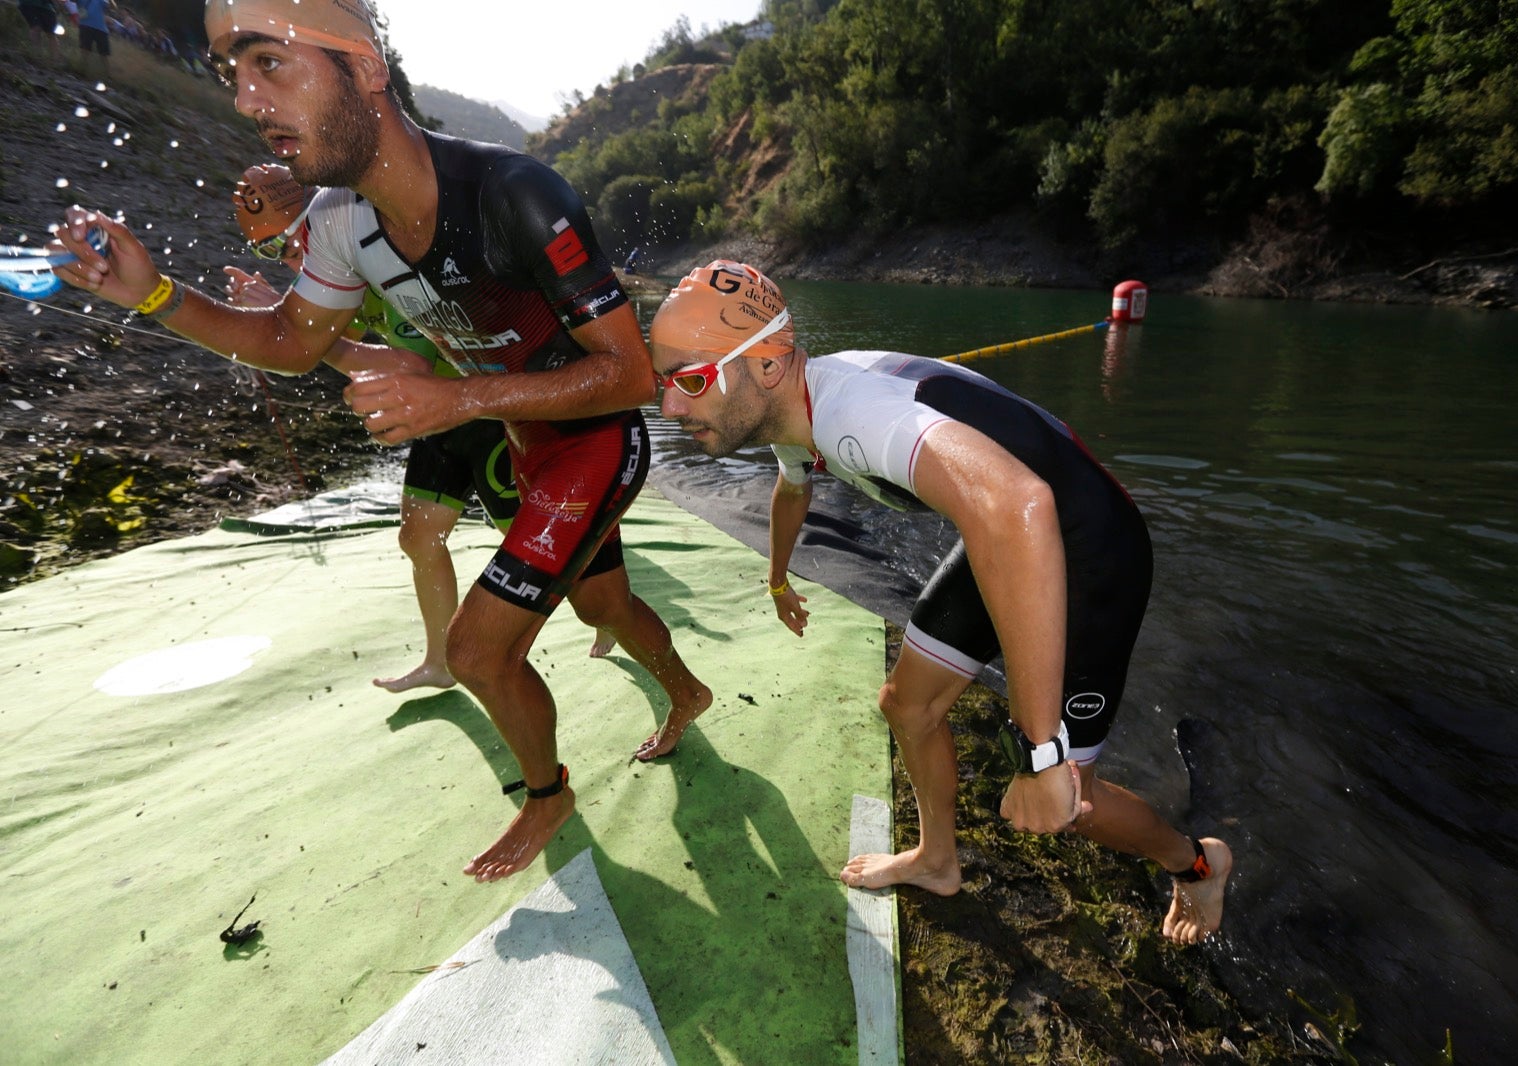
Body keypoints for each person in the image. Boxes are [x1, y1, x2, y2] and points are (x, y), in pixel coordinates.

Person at [50, 0, 711, 883]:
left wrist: (457, 397)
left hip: (593, 444)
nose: (246, 101)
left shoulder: (516, 193)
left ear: (364, 70)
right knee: (604, 609)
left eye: (269, 64)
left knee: (479, 650)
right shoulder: (335, 222)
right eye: (231, 77)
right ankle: (687, 688)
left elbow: (632, 376)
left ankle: (548, 797)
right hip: (523, 444)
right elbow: (291, 343)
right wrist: (155, 295)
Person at [649, 261, 1233, 944]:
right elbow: (792, 487)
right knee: (907, 705)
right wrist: (779, 581)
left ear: (769, 365)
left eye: (690, 382)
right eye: (663, 382)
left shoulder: (852, 416)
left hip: (1090, 548)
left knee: (1072, 798)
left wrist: (1038, 753)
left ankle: (1197, 864)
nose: (669, 409)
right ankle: (936, 860)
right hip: (1010, 534)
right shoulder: (791, 408)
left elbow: (1019, 500)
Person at [225, 164, 618, 691]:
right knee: (419, 537)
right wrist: (277, 319)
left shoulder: (375, 251)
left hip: (485, 407)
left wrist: (318, 343)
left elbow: (409, 366)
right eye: (268, 252)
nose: (288, 260)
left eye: (289, 243)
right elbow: (337, 341)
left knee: (546, 550)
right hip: (437, 416)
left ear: (315, 219)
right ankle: (439, 662)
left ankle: (612, 612)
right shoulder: (330, 272)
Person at [75, 0, 112, 77]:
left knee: (103, 54)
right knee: (86, 50)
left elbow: (110, 6)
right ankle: (83, 70)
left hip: (98, 28)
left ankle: (108, 75)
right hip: (91, 26)